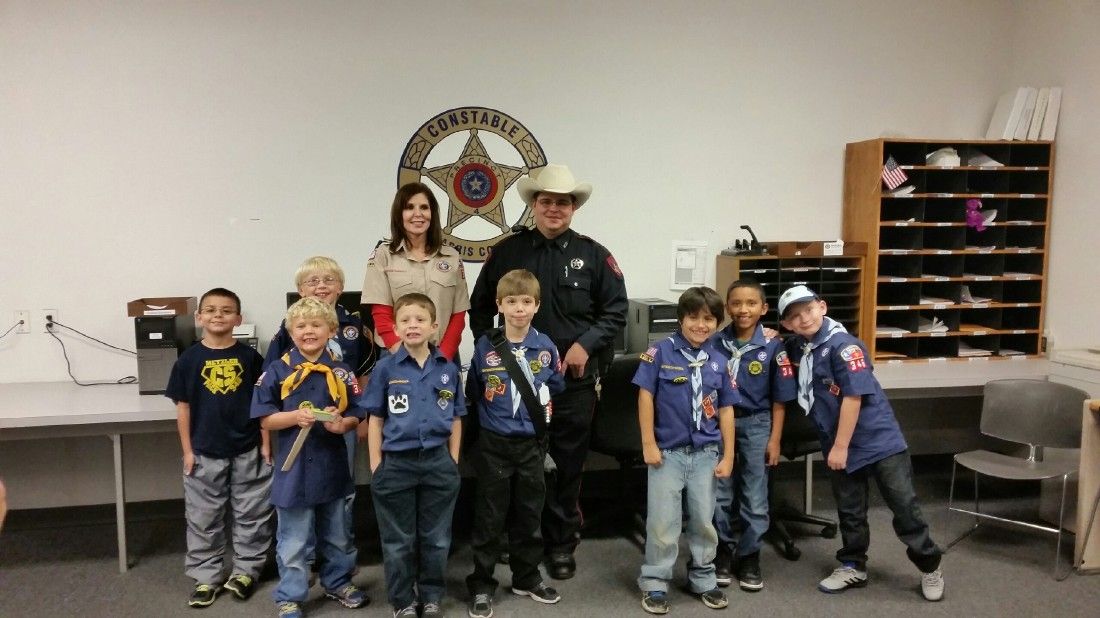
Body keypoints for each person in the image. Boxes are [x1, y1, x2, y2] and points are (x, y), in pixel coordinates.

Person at [469, 164, 628, 580]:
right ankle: (518, 539)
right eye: (546, 201)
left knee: (567, 465)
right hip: (513, 387)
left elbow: (615, 312)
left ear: (573, 208)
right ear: (534, 206)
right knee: (512, 466)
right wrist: (496, 354)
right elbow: (481, 307)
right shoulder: (508, 252)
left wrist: (583, 346)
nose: (554, 208)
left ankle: (560, 544)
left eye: (563, 202)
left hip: (572, 382)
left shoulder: (595, 255)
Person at [777, 284, 944, 601]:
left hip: (877, 442)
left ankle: (929, 565)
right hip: (836, 442)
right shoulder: (801, 347)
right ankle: (853, 565)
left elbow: (853, 397)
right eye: (794, 317)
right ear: (787, 324)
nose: (803, 319)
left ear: (822, 307)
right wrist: (773, 337)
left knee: (903, 507)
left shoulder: (845, 346)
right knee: (850, 511)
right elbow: (788, 350)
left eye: (808, 310)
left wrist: (840, 447)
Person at [252, 298, 369, 618]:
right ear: (290, 331)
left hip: (332, 466)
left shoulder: (342, 372)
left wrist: (340, 424)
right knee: (293, 539)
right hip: (295, 471)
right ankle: (290, 594)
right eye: (301, 326)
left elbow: (356, 414)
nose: (308, 332)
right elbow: (265, 419)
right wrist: (293, 418)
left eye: (316, 325)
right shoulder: (276, 371)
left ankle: (338, 581)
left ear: (331, 330)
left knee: (338, 533)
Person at [465, 270, 566, 618]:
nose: (519, 309)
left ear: (536, 306)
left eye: (526, 302)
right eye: (511, 302)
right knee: (490, 517)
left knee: (529, 514)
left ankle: (526, 577)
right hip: (495, 442)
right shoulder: (486, 346)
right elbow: (475, 392)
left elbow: (555, 388)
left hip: (531, 445)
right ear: (499, 305)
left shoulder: (547, 348)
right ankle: (481, 583)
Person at [264, 256, 374, 578]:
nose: (321, 286)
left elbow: (363, 375)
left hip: (340, 424)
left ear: (341, 287)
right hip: (297, 427)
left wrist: (360, 420)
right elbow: (272, 384)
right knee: (299, 498)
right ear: (300, 290)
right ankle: (304, 560)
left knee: (342, 491)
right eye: (312, 281)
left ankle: (337, 561)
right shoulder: (289, 330)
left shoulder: (355, 327)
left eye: (328, 280)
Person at [633, 286, 738, 615]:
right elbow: (645, 396)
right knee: (663, 522)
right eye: (693, 317)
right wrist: (648, 443)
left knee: (704, 520)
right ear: (681, 319)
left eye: (709, 319)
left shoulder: (720, 361)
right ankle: (655, 580)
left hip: (706, 453)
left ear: (717, 323)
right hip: (668, 454)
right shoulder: (659, 353)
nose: (700, 325)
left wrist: (729, 454)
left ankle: (703, 576)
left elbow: (726, 410)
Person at [166, 287, 273, 608]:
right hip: (204, 452)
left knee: (253, 513)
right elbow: (182, 408)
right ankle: (206, 576)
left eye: (226, 310)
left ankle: (246, 570)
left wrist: (266, 445)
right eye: (210, 310)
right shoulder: (187, 360)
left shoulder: (251, 358)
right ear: (198, 317)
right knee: (203, 517)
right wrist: (187, 450)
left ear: (238, 319)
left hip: (248, 448)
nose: (218, 315)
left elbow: (263, 404)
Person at [363, 293, 464, 618]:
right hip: (396, 465)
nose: (413, 325)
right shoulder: (385, 369)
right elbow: (376, 419)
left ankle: (432, 595)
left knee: (436, 538)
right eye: (405, 320)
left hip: (438, 463)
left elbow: (457, 417)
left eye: (420, 320)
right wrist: (377, 466)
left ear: (435, 327)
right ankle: (403, 600)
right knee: (398, 541)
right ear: (394, 327)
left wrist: (453, 460)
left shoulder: (447, 369)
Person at [709, 279, 797, 591]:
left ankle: (749, 554)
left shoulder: (774, 347)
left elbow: (780, 400)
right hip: (721, 423)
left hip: (758, 423)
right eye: (736, 303)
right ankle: (722, 550)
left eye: (750, 304)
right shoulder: (716, 343)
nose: (743, 309)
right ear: (727, 308)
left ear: (763, 308)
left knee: (754, 494)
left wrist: (775, 439)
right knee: (720, 492)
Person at [361, 182, 469, 362]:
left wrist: (443, 357)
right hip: (396, 355)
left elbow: (458, 315)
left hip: (442, 354)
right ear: (399, 214)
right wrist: (403, 355)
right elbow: (381, 312)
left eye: (424, 207)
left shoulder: (451, 257)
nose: (418, 214)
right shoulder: (383, 255)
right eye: (409, 207)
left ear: (432, 214)